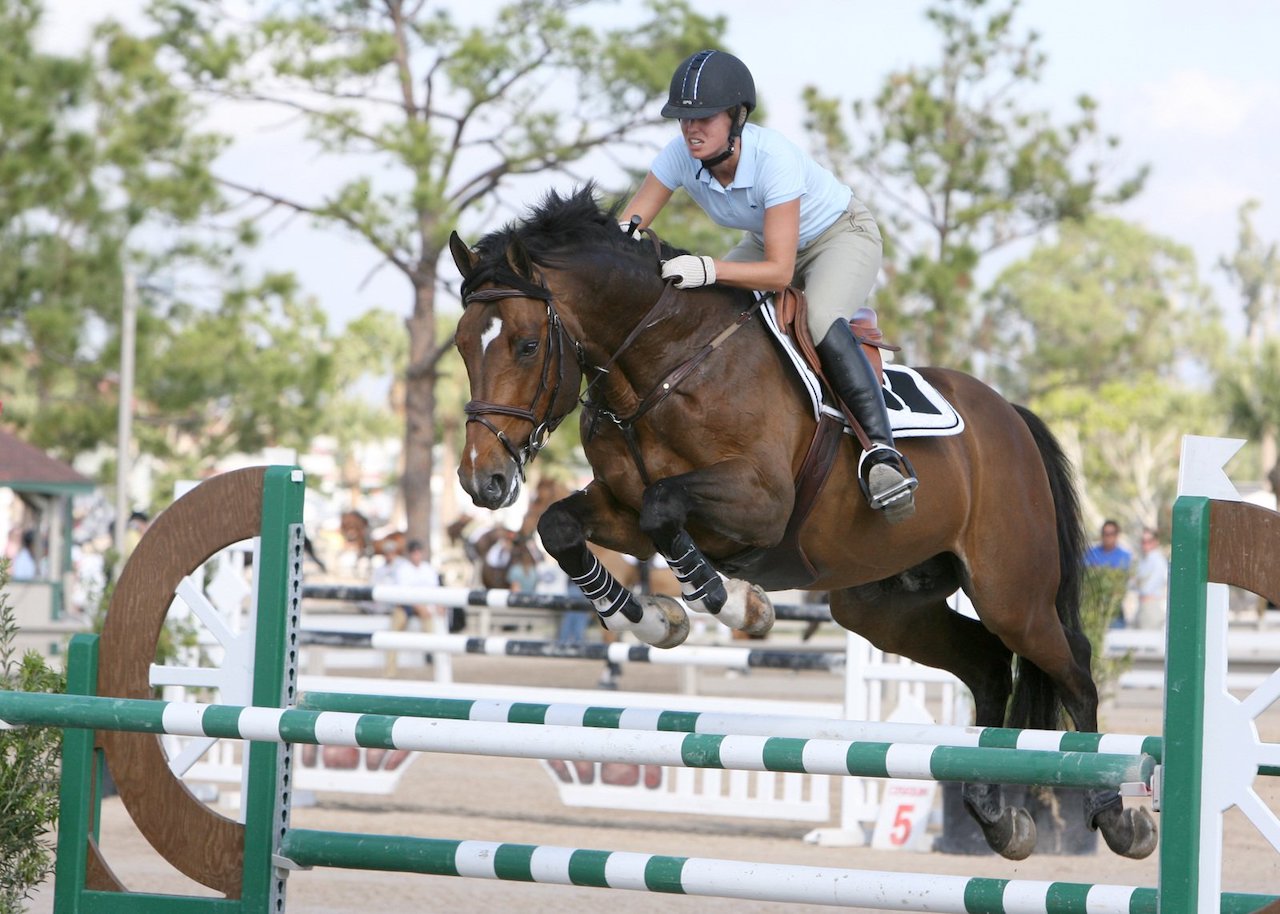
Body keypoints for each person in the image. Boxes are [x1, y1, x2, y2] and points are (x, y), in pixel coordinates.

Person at [621, 49, 917, 523]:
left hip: (840, 237)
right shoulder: (679, 156)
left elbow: (780, 273)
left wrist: (710, 268)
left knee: (818, 318)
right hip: (769, 241)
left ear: (736, 118)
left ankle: (883, 456)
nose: (691, 129)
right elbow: (630, 225)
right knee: (703, 306)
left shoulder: (772, 158)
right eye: (683, 119)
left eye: (704, 118)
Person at [1131, 527, 1168, 630]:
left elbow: (1147, 588)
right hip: (1142, 605)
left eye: (1149, 541)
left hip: (1152, 606)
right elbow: (1132, 584)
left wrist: (1137, 584)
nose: (1145, 544)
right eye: (1143, 541)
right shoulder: (1143, 560)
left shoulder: (1158, 560)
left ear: (1156, 542)